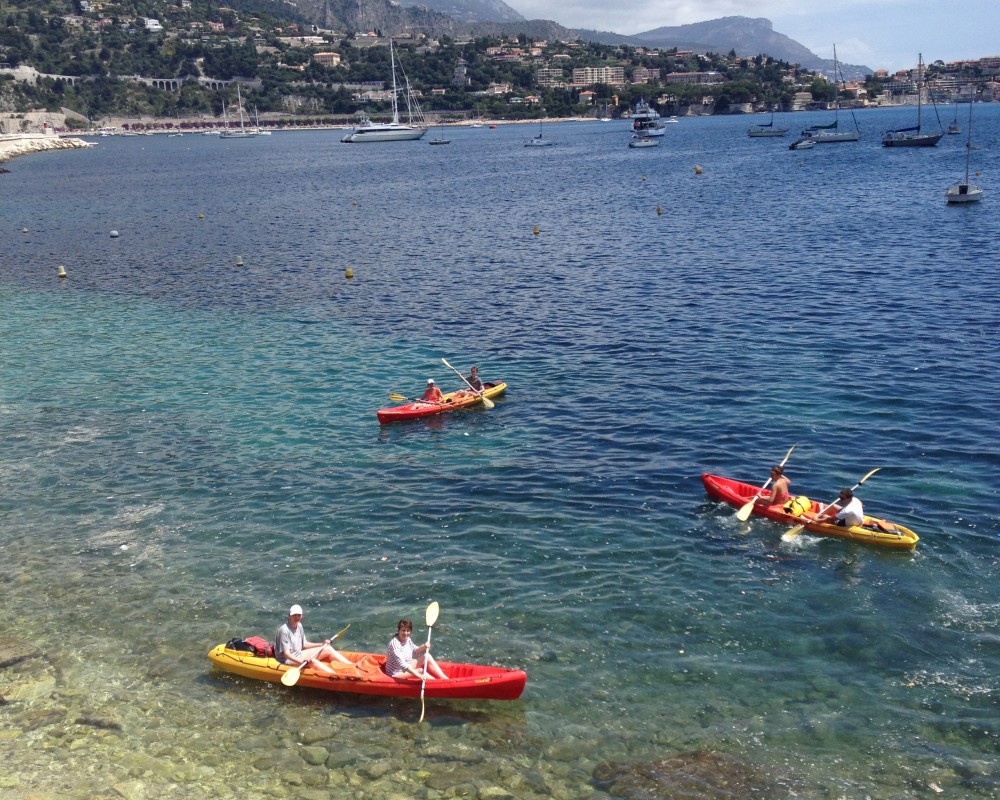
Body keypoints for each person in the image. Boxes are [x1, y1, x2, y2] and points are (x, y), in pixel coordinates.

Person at [274, 604, 354, 675]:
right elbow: (286, 654)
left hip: (298, 654)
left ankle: (353, 666)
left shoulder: (299, 626)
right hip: (287, 660)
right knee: (313, 661)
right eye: (294, 615)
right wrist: (301, 661)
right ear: (289, 615)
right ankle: (336, 676)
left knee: (327, 648)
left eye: (299, 615)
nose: (297, 617)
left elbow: (304, 645)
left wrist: (322, 644)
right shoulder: (284, 630)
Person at [384, 618, 448, 680]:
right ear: (399, 631)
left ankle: (445, 679)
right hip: (395, 673)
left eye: (408, 631)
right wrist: (419, 675)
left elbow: (415, 651)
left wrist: (424, 646)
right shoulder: (394, 644)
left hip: (407, 665)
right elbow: (403, 665)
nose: (406, 633)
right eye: (403, 630)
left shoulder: (407, 639)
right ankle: (437, 683)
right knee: (420, 671)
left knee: (427, 656)